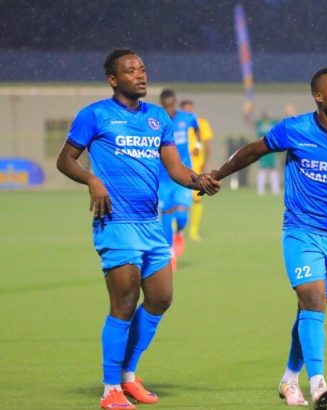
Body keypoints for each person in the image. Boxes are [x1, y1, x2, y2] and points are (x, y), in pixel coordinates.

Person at [204, 67, 327, 409]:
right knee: (313, 299)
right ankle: (318, 383)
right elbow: (254, 151)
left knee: (311, 310)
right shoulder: (294, 129)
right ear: (318, 96)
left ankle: (289, 379)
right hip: (301, 231)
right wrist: (218, 174)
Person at [55, 48, 219, 410]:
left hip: (150, 223)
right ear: (113, 79)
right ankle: (110, 387)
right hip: (115, 222)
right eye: (131, 71)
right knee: (124, 303)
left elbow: (175, 169)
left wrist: (198, 180)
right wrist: (92, 180)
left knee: (161, 298)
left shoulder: (157, 117)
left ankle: (128, 376)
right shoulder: (95, 115)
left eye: (142, 69)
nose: (140, 75)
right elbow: (64, 160)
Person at [158, 90, 201, 269]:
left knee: (182, 214)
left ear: (175, 103)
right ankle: (170, 253)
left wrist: (197, 144)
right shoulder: (156, 120)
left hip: (183, 174)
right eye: (165, 106)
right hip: (162, 177)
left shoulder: (187, 118)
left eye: (171, 106)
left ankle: (179, 233)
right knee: (167, 214)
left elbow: (197, 128)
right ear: (162, 104)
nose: (169, 109)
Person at [180, 99, 214, 241]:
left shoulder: (202, 123)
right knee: (178, 201)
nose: (189, 111)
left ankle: (193, 231)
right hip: (180, 168)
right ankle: (177, 232)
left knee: (197, 199)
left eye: (190, 108)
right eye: (186, 109)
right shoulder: (177, 124)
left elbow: (207, 145)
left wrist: (204, 164)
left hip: (197, 169)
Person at [255, 111, 280, 195]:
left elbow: (281, 122)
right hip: (262, 149)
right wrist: (247, 112)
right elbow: (249, 121)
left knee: (273, 169)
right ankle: (260, 190)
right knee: (262, 169)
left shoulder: (272, 123)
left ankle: (275, 189)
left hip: (272, 149)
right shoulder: (259, 124)